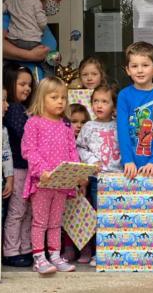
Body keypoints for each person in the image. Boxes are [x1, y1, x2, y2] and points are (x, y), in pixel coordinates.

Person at [21, 77, 85, 275]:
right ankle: (39, 258)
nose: (60, 102)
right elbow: (29, 150)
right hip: (42, 182)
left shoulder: (65, 126)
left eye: (64, 98)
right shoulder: (34, 123)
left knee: (56, 222)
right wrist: (42, 171)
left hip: (62, 183)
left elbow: (72, 151)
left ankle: (55, 256)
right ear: (42, 98)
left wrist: (79, 173)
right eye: (54, 97)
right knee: (40, 222)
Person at [75, 83, 121, 265]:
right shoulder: (88, 126)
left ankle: (115, 250)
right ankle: (99, 252)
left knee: (115, 215)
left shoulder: (119, 125)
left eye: (104, 101)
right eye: (95, 101)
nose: (99, 105)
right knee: (99, 215)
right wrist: (92, 161)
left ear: (114, 107)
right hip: (97, 179)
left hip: (118, 177)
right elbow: (79, 147)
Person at [117, 42, 153, 179]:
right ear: (128, 70)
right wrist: (127, 160)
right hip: (131, 166)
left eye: (145, 65)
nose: (140, 70)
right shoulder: (124, 95)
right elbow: (122, 130)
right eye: (134, 66)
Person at [2, 65, 36, 268]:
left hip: (27, 167)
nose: (27, 88)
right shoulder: (14, 109)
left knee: (26, 211)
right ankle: (12, 250)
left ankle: (25, 248)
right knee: (18, 211)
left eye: (29, 85)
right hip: (17, 167)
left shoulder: (22, 109)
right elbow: (23, 134)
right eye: (22, 84)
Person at [3, 0, 67, 80]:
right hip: (20, 86)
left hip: (41, 89)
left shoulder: (42, 22)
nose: (58, 4)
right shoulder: (13, 14)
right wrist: (30, 55)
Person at [61, 103, 90, 262]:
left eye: (83, 122)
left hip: (83, 186)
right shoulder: (63, 140)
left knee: (84, 216)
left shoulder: (86, 142)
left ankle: (86, 249)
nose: (79, 126)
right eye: (74, 121)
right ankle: (69, 249)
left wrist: (83, 183)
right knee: (67, 217)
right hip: (66, 185)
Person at [2, 88, 15, 254]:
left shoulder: (3, 129)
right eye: (3, 101)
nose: (7, 105)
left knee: (1, 214)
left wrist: (9, 177)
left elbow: (6, 153)